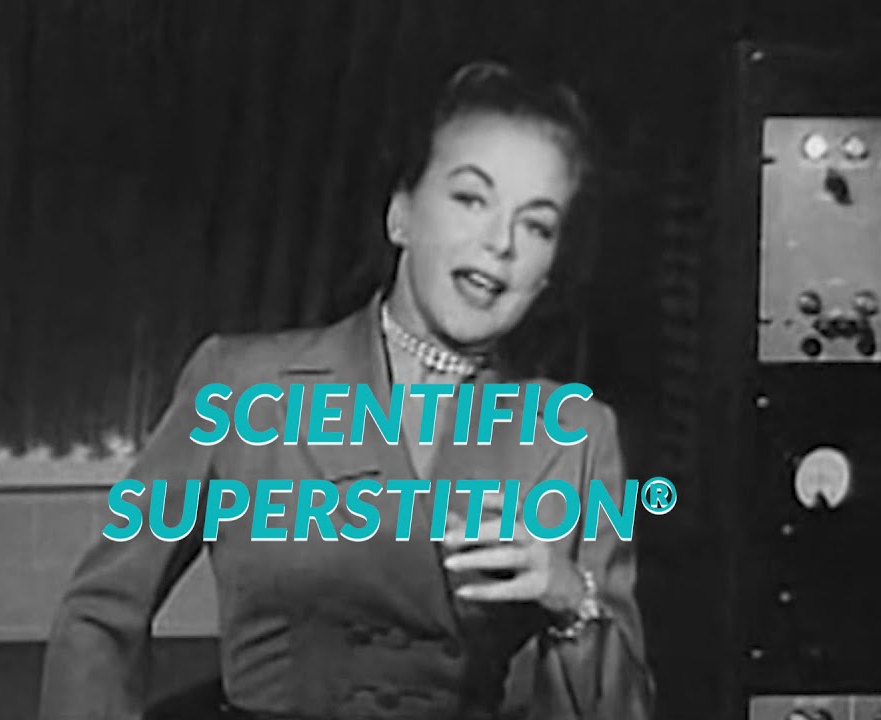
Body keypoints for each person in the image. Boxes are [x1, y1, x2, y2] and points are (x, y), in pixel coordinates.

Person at [40, 61, 653, 720]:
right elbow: (99, 614)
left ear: (549, 270)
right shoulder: (240, 385)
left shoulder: (577, 435)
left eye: (537, 225)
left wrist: (569, 596)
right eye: (471, 199)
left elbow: (625, 708)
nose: (500, 243)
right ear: (400, 215)